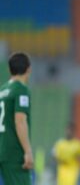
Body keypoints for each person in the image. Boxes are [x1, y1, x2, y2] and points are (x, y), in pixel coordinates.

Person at [0, 52, 33, 185]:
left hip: (2, 150)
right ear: (29, 69)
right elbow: (20, 121)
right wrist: (28, 151)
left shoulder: (2, 90)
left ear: (9, 70)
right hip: (14, 153)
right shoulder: (21, 90)